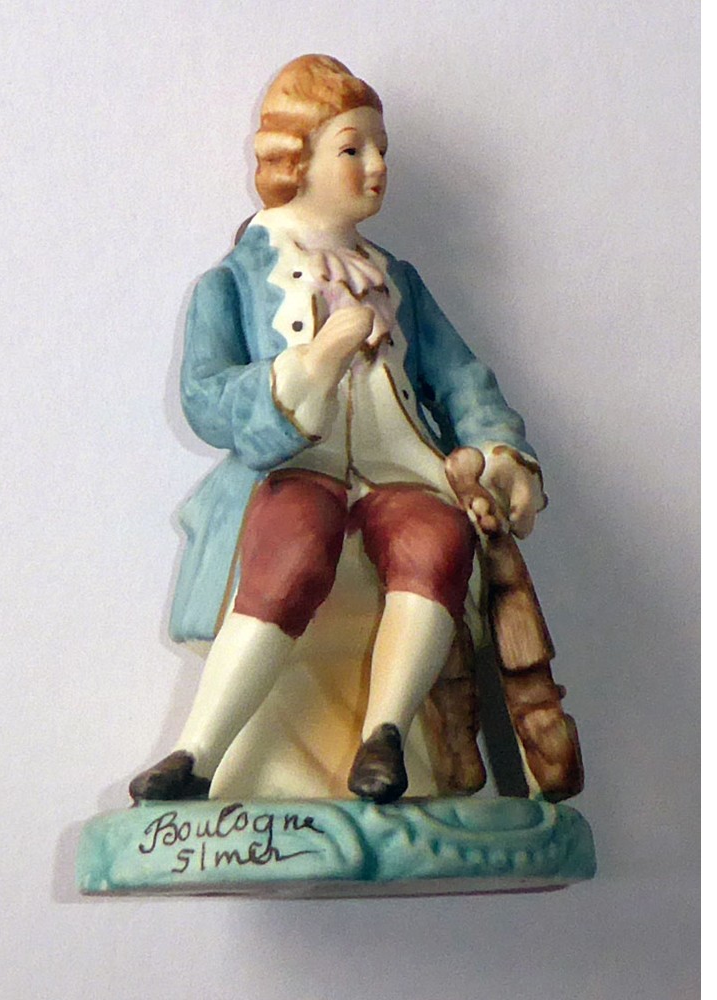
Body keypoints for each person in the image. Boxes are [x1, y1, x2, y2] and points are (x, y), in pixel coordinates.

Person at [130, 54, 545, 805]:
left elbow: (461, 379)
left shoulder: (399, 280)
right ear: (297, 159)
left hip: (399, 472)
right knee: (292, 549)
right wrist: (315, 362)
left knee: (436, 542)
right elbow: (206, 398)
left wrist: (498, 453)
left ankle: (383, 737)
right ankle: (199, 753)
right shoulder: (233, 281)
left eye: (381, 148)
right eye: (354, 148)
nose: (377, 166)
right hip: (298, 467)